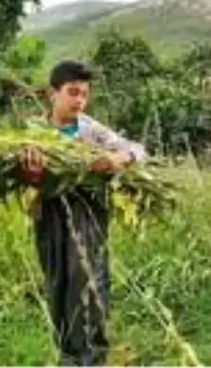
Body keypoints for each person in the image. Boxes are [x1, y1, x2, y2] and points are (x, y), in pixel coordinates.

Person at [19, 60, 146, 368]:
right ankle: (68, 357)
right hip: (48, 217)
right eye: (72, 92)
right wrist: (32, 175)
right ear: (53, 94)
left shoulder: (92, 130)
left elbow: (138, 150)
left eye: (84, 94)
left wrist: (119, 158)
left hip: (88, 214)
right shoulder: (36, 133)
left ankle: (92, 357)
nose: (79, 100)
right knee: (58, 285)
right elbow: (24, 180)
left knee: (88, 284)